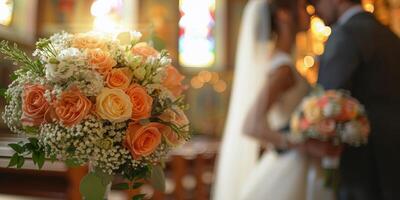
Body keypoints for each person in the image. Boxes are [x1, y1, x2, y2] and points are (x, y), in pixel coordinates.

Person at [213, 0, 333, 199]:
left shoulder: (280, 62)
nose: (310, 13)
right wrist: (303, 144)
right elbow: (252, 125)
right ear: (284, 15)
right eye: (303, 6)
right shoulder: (282, 70)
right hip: (290, 164)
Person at [310, 0, 400, 199]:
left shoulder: (345, 35)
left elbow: (326, 102)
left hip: (363, 168)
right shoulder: (390, 35)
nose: (315, 10)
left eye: (316, 2)